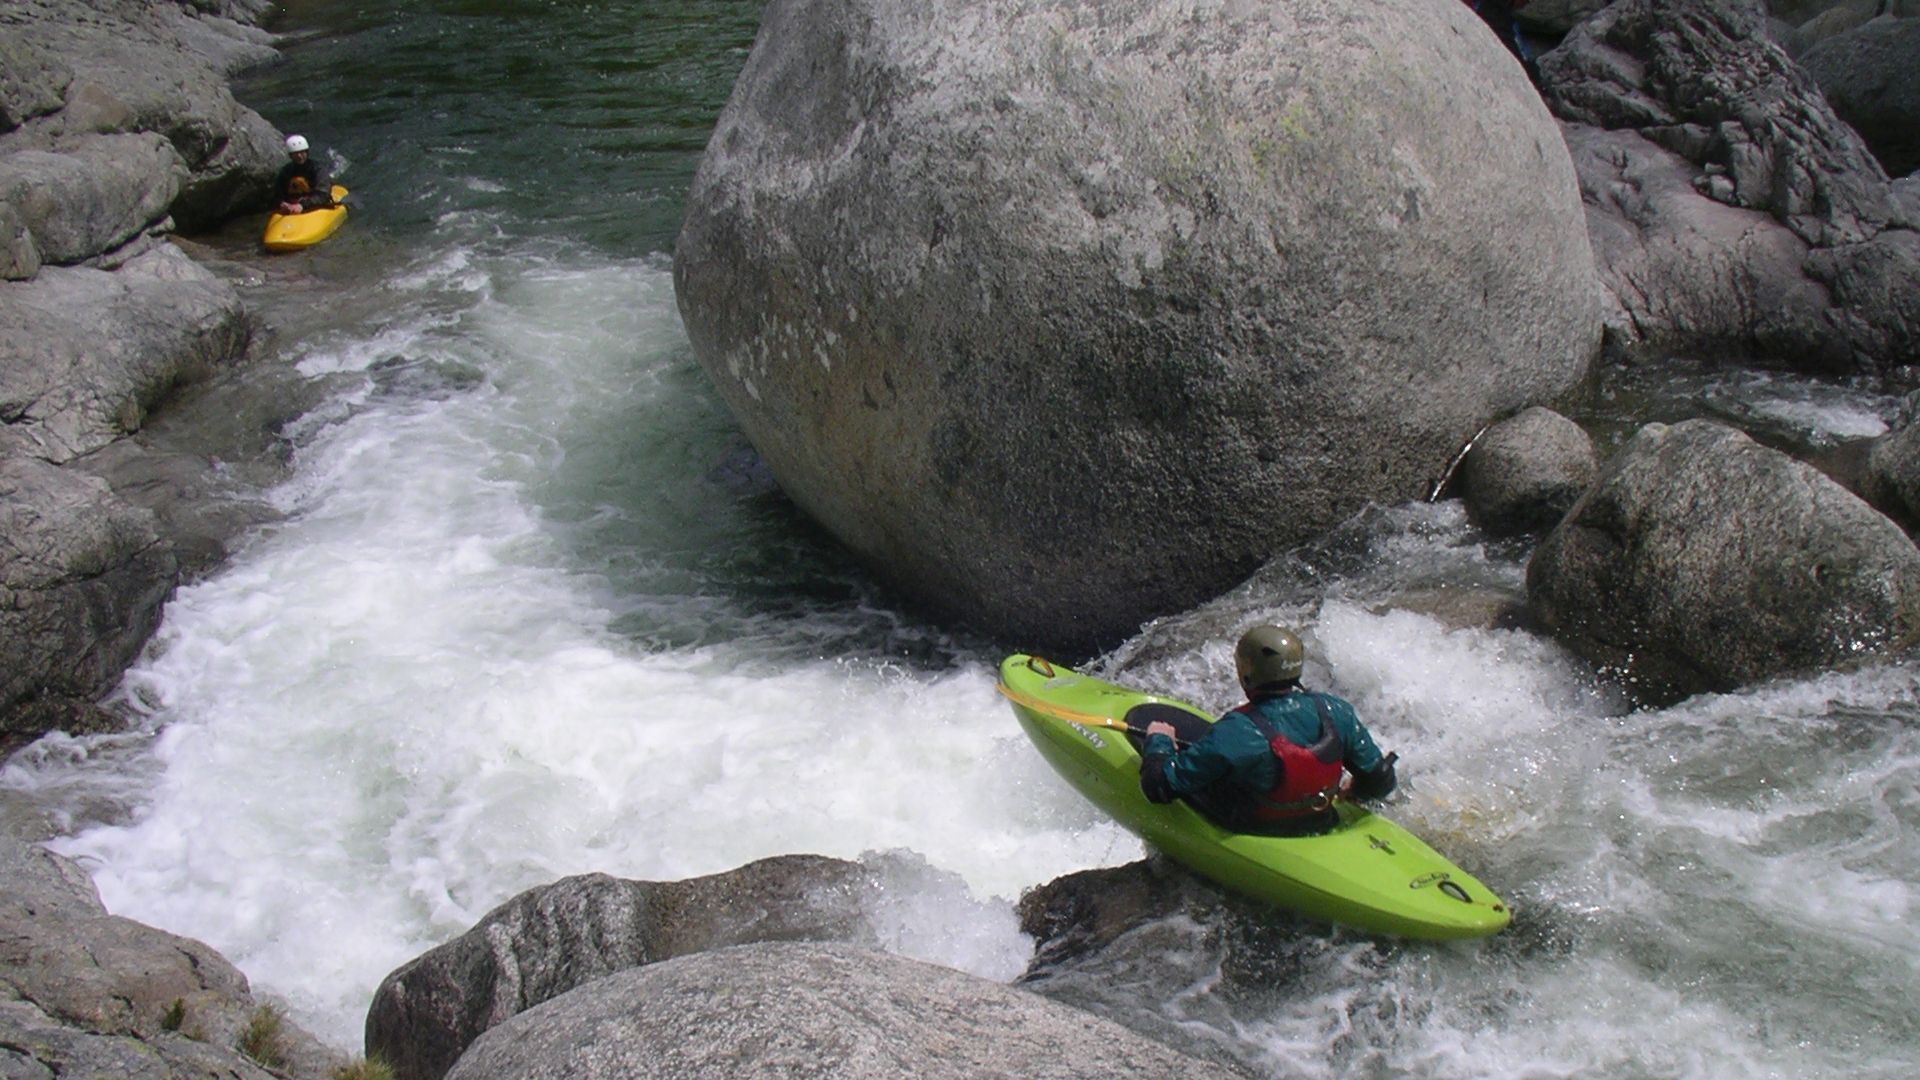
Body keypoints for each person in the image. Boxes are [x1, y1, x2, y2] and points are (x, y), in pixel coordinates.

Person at [1138, 625, 1397, 836]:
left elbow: (1159, 786)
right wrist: (1357, 791)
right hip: (1320, 819)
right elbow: (1380, 780)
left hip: (1252, 827)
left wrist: (1159, 741)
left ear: (1246, 674)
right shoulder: (1335, 710)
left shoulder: (1235, 731)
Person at [274, 134, 332, 215]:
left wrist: (302, 205)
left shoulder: (318, 169)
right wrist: (281, 203)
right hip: (293, 209)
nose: (299, 156)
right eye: (296, 153)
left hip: (314, 207)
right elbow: (277, 193)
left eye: (302, 152)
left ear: (307, 152)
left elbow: (323, 194)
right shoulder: (286, 171)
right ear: (290, 155)